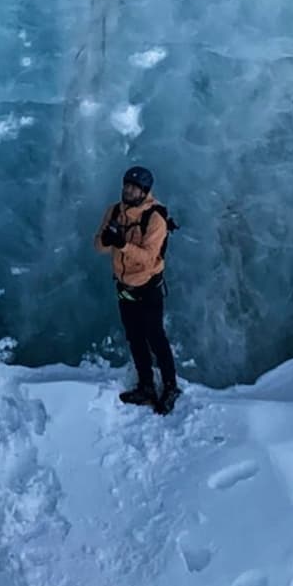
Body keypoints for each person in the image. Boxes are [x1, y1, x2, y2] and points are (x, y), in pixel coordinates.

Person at [97, 164, 178, 413]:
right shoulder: (114, 212)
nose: (129, 191)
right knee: (135, 337)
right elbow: (99, 247)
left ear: (145, 191)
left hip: (147, 287)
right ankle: (146, 386)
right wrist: (106, 240)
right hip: (124, 286)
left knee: (155, 336)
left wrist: (120, 244)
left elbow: (148, 257)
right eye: (127, 185)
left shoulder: (155, 219)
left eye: (135, 188)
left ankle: (170, 385)